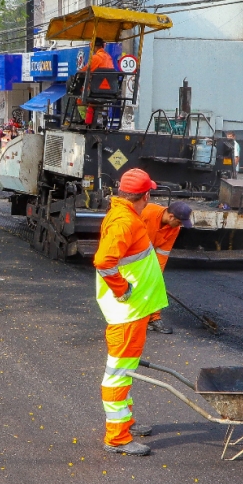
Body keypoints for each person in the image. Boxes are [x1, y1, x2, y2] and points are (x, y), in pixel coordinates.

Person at [93, 168, 170, 457]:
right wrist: (121, 288)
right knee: (119, 373)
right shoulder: (125, 221)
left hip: (133, 311)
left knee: (125, 372)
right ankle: (117, 437)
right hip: (127, 312)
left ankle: (124, 423)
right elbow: (104, 261)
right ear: (146, 195)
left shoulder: (123, 214)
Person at [140, 200, 193, 334]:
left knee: (156, 284)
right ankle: (137, 320)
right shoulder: (147, 212)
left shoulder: (174, 229)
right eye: (179, 222)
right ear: (171, 217)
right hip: (132, 254)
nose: (179, 226)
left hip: (149, 254)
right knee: (135, 288)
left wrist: (156, 275)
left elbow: (163, 253)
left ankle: (154, 318)